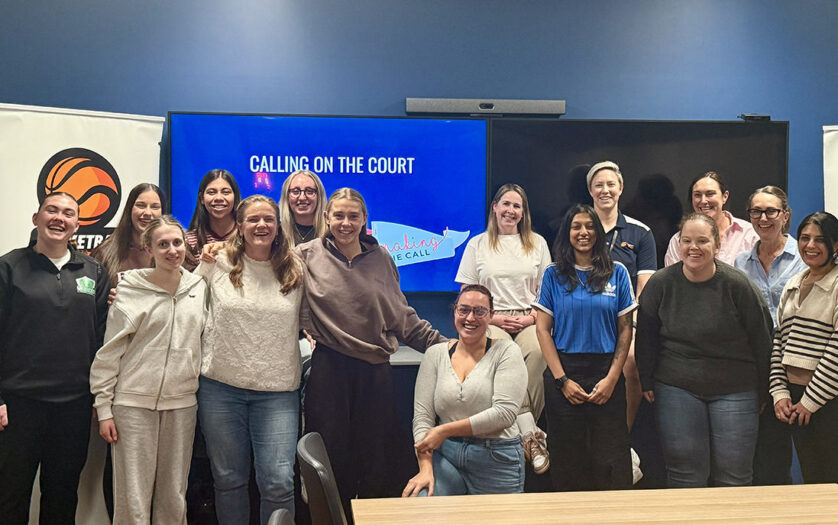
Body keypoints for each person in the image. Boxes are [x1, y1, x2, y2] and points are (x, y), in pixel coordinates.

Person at [295, 187, 445, 518]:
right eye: (338, 215)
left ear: (365, 220)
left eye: (353, 216)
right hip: (329, 371)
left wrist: (449, 349)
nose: (345, 222)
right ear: (325, 218)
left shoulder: (382, 259)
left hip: (375, 372)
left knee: (378, 462)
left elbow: (401, 316)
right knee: (332, 464)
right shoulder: (304, 255)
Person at [637, 213, 773, 487]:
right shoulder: (661, 284)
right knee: (685, 475)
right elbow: (646, 337)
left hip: (736, 388)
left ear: (717, 244)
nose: (693, 248)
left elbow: (762, 338)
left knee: (734, 476)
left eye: (702, 241)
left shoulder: (738, 284)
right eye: (686, 241)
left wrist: (763, 388)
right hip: (677, 386)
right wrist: (647, 379)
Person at [0, 193, 109, 524]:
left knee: (62, 495)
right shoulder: (8, 267)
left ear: (77, 224)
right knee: (10, 495)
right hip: (18, 406)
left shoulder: (94, 272)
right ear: (37, 218)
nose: (59, 218)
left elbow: (104, 342)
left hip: (73, 406)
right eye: (52, 210)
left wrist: (100, 398)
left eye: (68, 213)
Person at [90, 216, 207, 524]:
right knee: (133, 499)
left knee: (173, 496)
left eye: (177, 243)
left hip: (182, 406)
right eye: (163, 244)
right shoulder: (129, 289)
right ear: (149, 249)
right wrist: (104, 408)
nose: (172, 250)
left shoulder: (199, 287)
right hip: (132, 406)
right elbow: (109, 353)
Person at [196, 195, 304, 524]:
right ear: (239, 226)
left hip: (278, 392)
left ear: (278, 226)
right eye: (253, 220)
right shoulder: (216, 261)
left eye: (268, 219)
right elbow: (185, 303)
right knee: (228, 480)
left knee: (278, 483)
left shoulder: (295, 266)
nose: (261, 225)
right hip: (219, 388)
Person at [533, 204, 636, 491]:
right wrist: (562, 380)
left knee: (612, 459)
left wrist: (612, 379)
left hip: (606, 372)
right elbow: (542, 330)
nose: (583, 232)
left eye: (589, 226)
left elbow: (626, 329)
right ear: (567, 233)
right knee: (568, 460)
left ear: (598, 233)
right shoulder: (553, 275)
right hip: (565, 371)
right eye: (576, 226)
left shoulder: (617, 273)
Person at [455, 183, 551, 473]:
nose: (510, 210)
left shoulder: (538, 243)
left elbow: (548, 293)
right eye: (505, 204)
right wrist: (492, 318)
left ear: (523, 213)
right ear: (494, 207)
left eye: (517, 206)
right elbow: (466, 291)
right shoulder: (477, 244)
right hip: (490, 319)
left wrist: (530, 319)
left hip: (529, 317)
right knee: (505, 354)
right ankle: (529, 432)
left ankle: (521, 425)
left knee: (537, 352)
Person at [403, 284, 527, 496]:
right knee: (421, 503)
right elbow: (423, 418)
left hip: (496, 457)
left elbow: (504, 414)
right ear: (455, 312)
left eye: (479, 311)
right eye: (464, 310)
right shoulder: (435, 354)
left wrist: (444, 430)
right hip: (447, 455)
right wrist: (425, 468)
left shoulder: (507, 352)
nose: (470, 318)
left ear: (491, 316)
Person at [586, 161, 656, 470]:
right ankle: (585, 440)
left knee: (631, 364)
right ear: (590, 190)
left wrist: (633, 326)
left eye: (611, 184)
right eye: (599, 185)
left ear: (621, 189)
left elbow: (645, 286)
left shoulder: (640, 233)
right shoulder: (577, 226)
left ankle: (620, 441)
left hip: (625, 319)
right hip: (582, 319)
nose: (605, 190)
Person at [734, 186, 806, 485]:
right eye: (756, 211)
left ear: (785, 215)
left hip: (796, 365)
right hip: (755, 366)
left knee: (799, 450)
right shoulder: (740, 263)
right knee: (759, 452)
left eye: (771, 211)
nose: (763, 218)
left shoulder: (803, 257)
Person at [770, 211, 838, 483]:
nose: (810, 246)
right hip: (795, 400)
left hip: (828, 400)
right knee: (812, 478)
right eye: (805, 238)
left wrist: (811, 401)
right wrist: (779, 392)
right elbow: (779, 343)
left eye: (820, 240)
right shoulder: (793, 284)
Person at [664, 171, 758, 266]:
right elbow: (672, 279)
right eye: (697, 195)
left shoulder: (749, 235)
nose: (703, 201)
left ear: (725, 197)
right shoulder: (678, 240)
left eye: (710, 194)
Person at [91, 183, 167, 286]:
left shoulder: (173, 251)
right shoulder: (104, 253)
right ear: (129, 209)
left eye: (155, 207)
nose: (148, 213)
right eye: (141, 205)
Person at [185, 169, 241, 263]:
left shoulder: (247, 236)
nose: (219, 198)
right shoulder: (189, 241)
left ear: (235, 197)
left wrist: (225, 246)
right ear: (201, 198)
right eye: (211, 192)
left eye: (226, 192)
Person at [279, 169, 328, 246]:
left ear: (319, 196)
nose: (302, 198)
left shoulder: (331, 235)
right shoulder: (277, 234)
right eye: (295, 192)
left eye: (310, 191)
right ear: (287, 196)